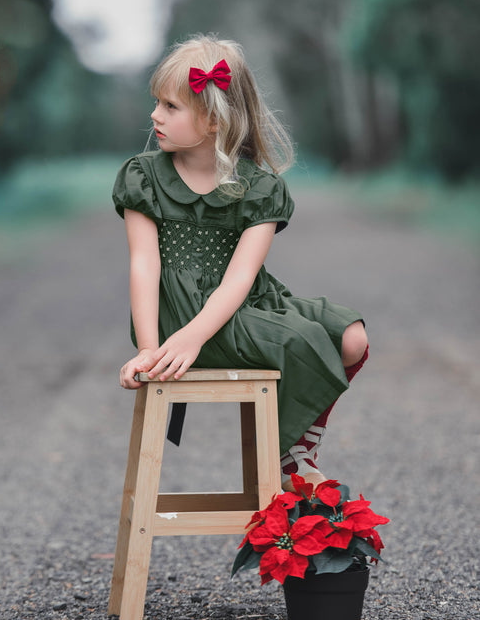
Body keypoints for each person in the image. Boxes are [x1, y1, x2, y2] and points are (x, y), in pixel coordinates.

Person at [113, 33, 368, 491]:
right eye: (157, 102)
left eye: (170, 106)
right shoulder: (143, 176)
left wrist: (199, 333)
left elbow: (241, 278)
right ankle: (291, 459)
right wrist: (152, 348)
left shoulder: (258, 187)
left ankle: (296, 445)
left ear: (213, 120)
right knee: (302, 340)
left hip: (238, 302)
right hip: (178, 316)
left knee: (352, 337)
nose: (154, 115)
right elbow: (143, 265)